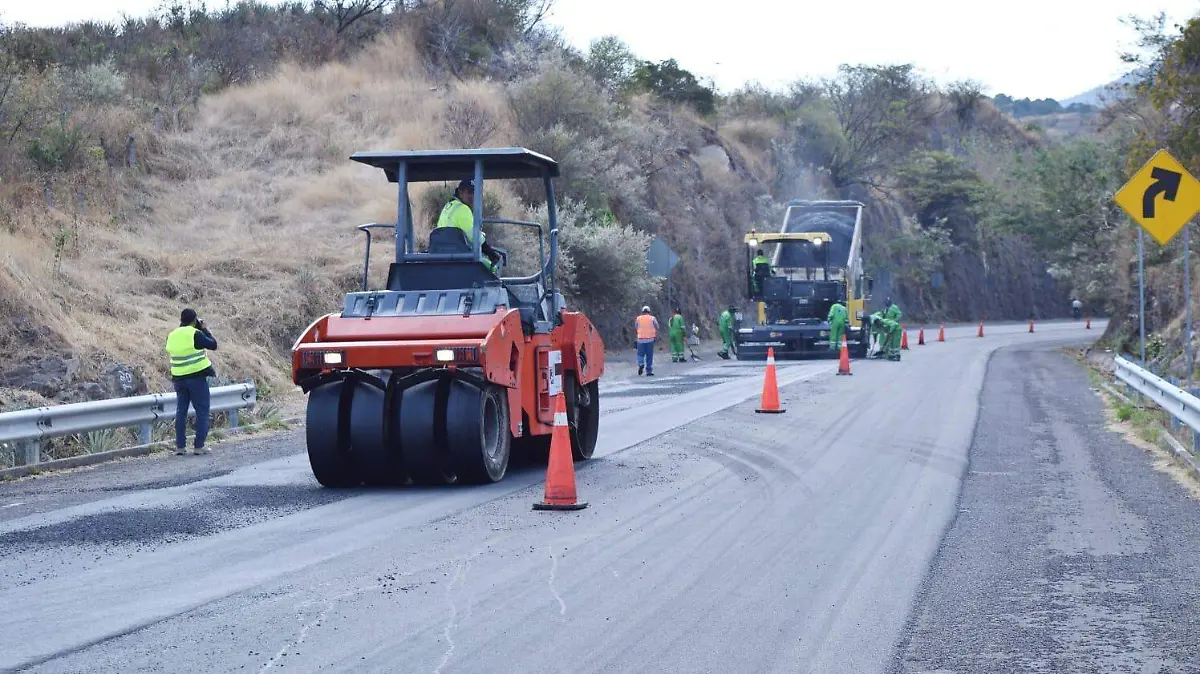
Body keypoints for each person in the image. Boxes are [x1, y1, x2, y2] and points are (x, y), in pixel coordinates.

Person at [164, 308, 217, 456]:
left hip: (179, 379)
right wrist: (205, 329)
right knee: (202, 411)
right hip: (197, 378)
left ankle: (180, 447)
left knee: (181, 412)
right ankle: (199, 446)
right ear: (194, 320)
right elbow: (213, 344)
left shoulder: (172, 335)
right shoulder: (195, 334)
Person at [436, 179, 502, 272]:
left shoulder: (448, 206)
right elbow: (474, 238)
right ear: (460, 191)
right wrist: (490, 253)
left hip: (442, 255)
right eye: (469, 192)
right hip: (458, 258)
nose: (472, 196)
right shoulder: (463, 209)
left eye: (474, 193)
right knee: (492, 268)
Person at [635, 305, 659, 376]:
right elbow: (657, 326)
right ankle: (649, 371)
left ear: (642, 311)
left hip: (640, 339)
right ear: (649, 311)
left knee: (640, 354)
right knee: (649, 355)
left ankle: (641, 364)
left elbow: (636, 327)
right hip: (650, 339)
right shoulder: (652, 318)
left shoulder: (638, 318)